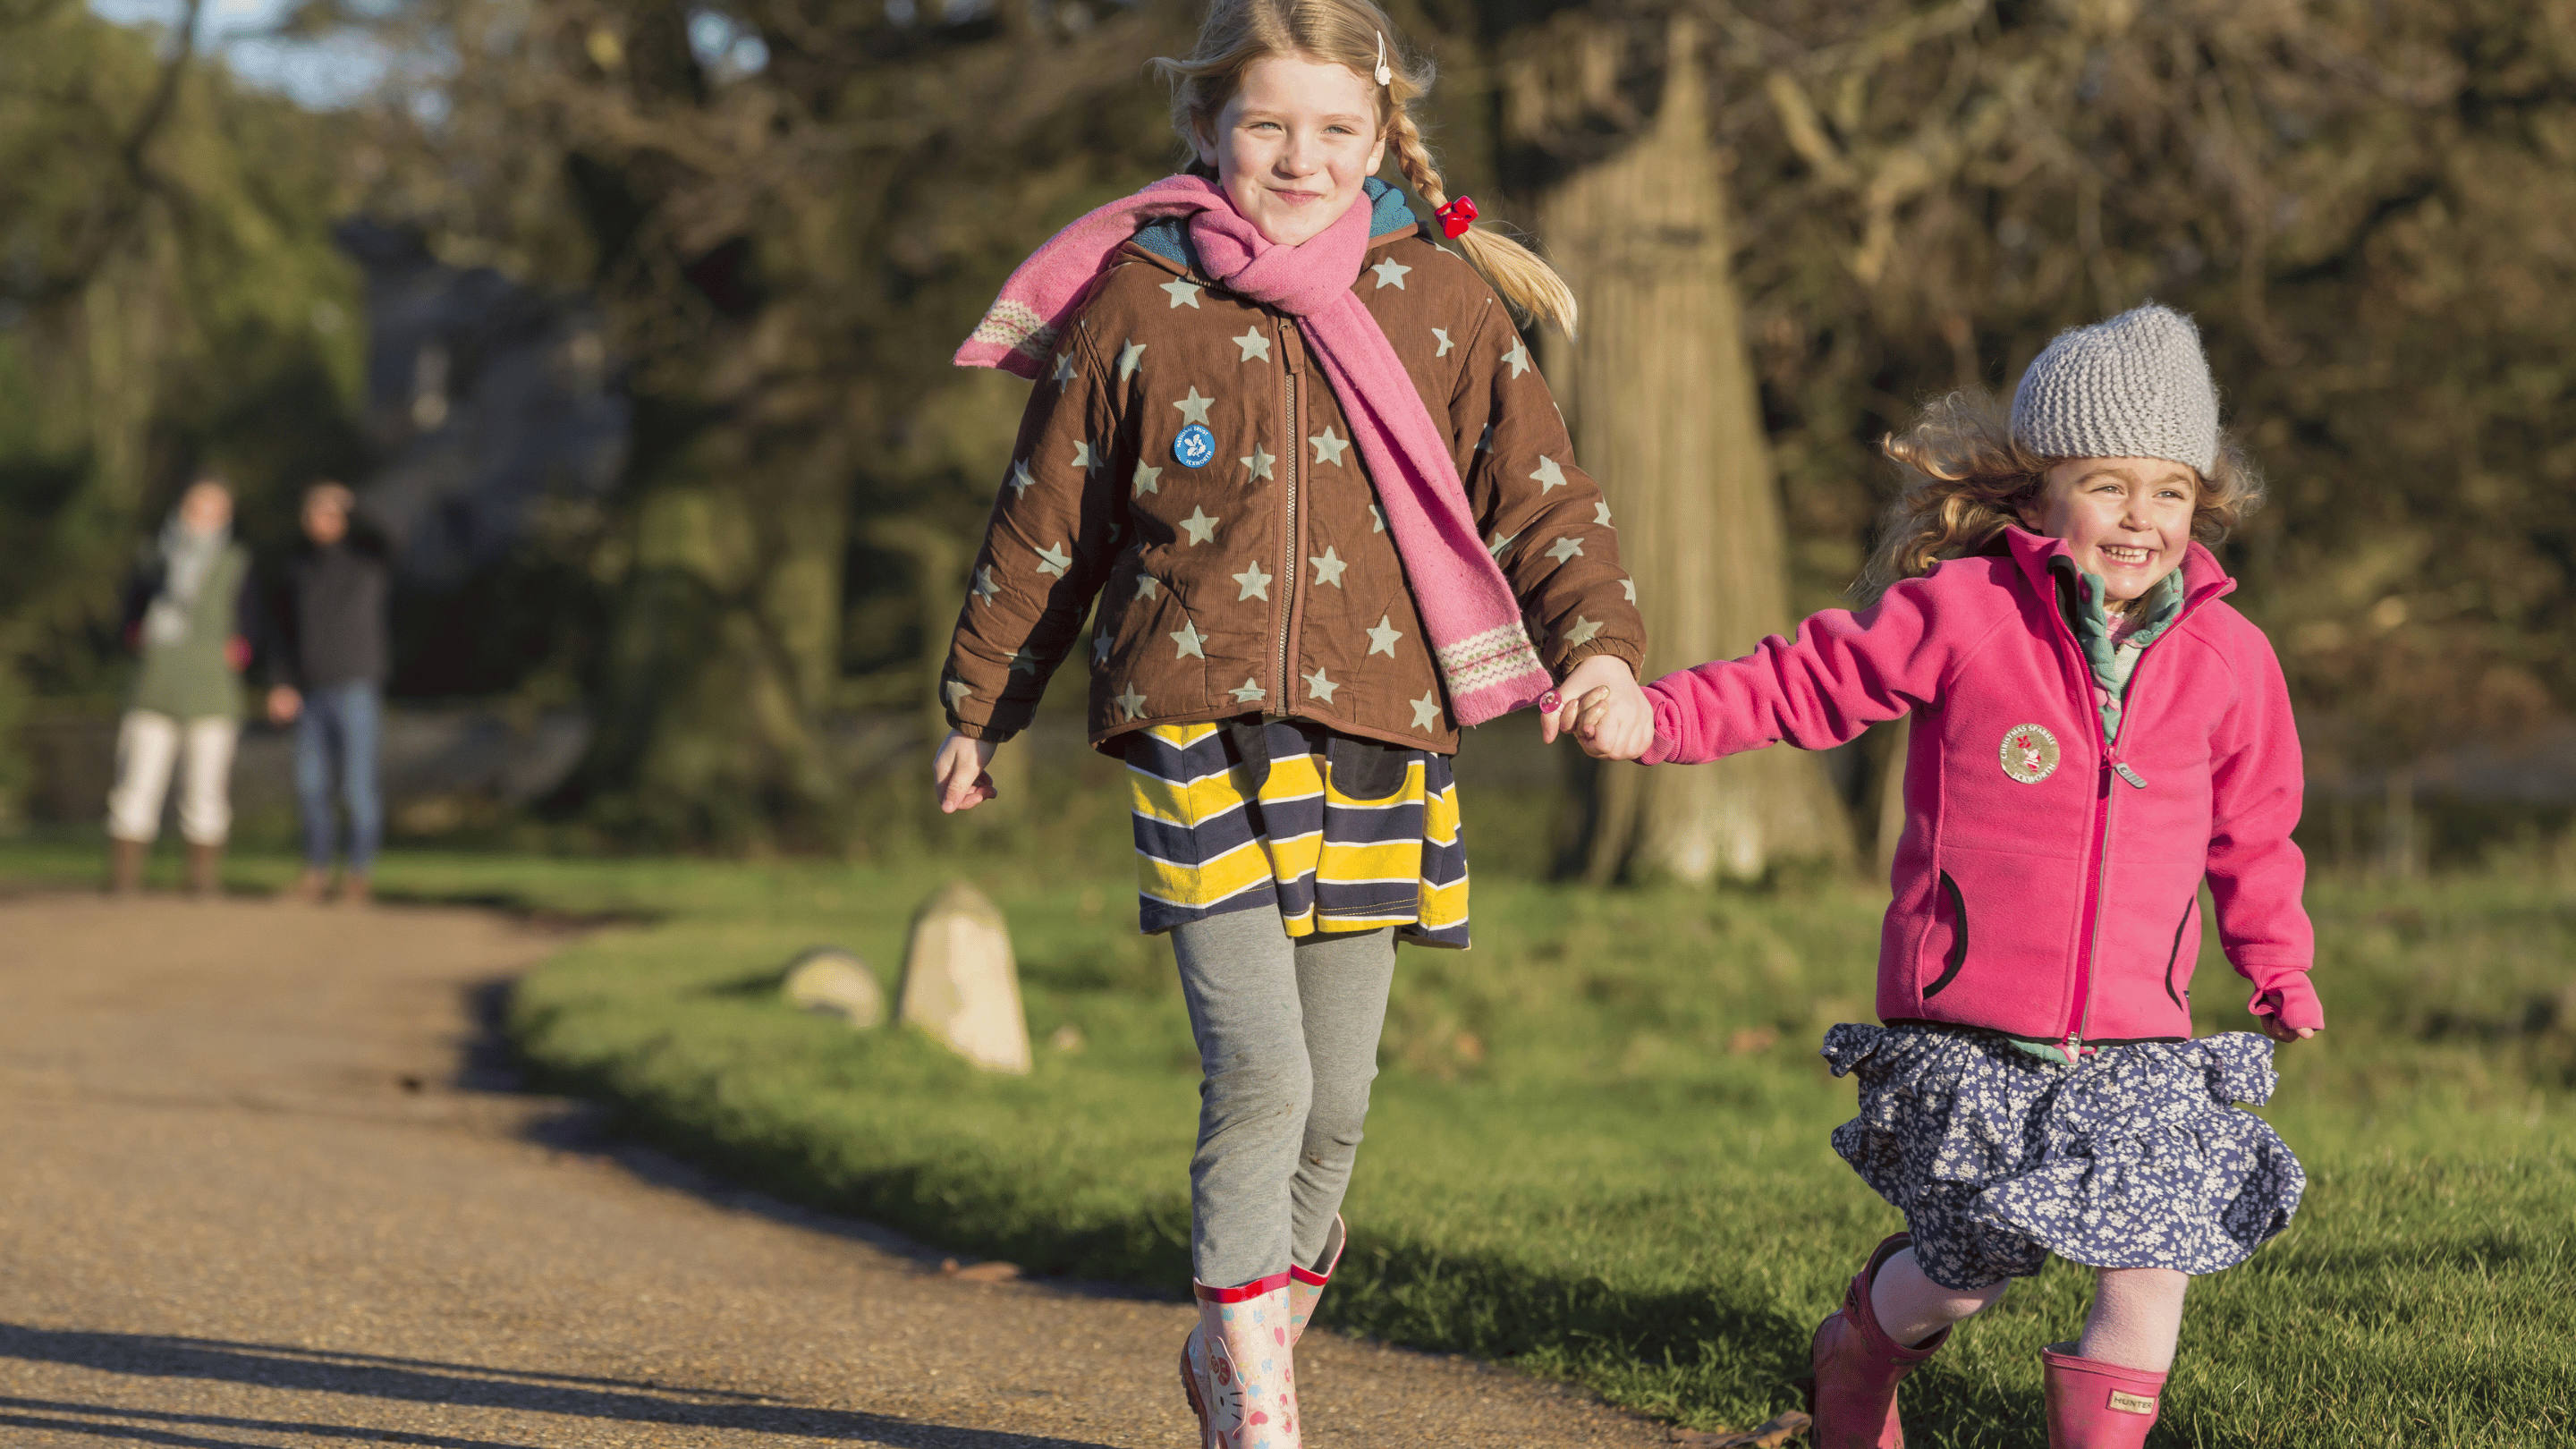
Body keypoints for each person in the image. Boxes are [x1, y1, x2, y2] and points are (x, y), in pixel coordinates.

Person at [938, 1, 1653, 1441]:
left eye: (1335, 130)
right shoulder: (1138, 300)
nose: (1299, 156)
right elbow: (1050, 522)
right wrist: (982, 704)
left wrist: (1604, 650)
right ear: (1208, 130)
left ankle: (1238, 1343)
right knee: (1259, 1071)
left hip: (1381, 726)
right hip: (1192, 725)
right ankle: (1259, 1406)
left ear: (1382, 138)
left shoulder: (1442, 297)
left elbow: (1543, 494)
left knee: (1335, 1104)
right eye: (1267, 125)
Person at [1572, 305, 2318, 1449]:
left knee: (2150, 1261)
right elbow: (1797, 686)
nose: (2141, 517)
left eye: (2170, 490)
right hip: (1973, 1032)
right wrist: (1652, 716)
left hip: (2143, 1042)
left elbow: (2257, 833)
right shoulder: (1965, 615)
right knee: (1969, 1271)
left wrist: (2274, 962)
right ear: (2034, 494)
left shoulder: (2233, 661)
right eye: (2108, 484)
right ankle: (1859, 1350)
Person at [108, 476, 267, 897]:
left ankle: (202, 882)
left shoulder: (237, 562)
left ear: (226, 517)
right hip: (154, 688)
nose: (203, 517)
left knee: (207, 790)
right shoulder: (153, 558)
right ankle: (124, 879)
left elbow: (252, 625)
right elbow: (127, 617)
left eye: (215, 510)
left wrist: (241, 650)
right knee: (136, 784)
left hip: (212, 693)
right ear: (181, 509)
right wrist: (136, 635)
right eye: (196, 507)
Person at [267, 481, 392, 905]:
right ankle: (315, 874)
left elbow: (389, 531)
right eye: (314, 511)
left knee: (358, 789)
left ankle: (359, 876)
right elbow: (281, 633)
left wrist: (353, 503)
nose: (322, 519)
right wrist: (280, 683)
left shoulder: (367, 556)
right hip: (310, 692)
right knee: (310, 787)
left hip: (356, 686)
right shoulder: (297, 568)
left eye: (330, 512)